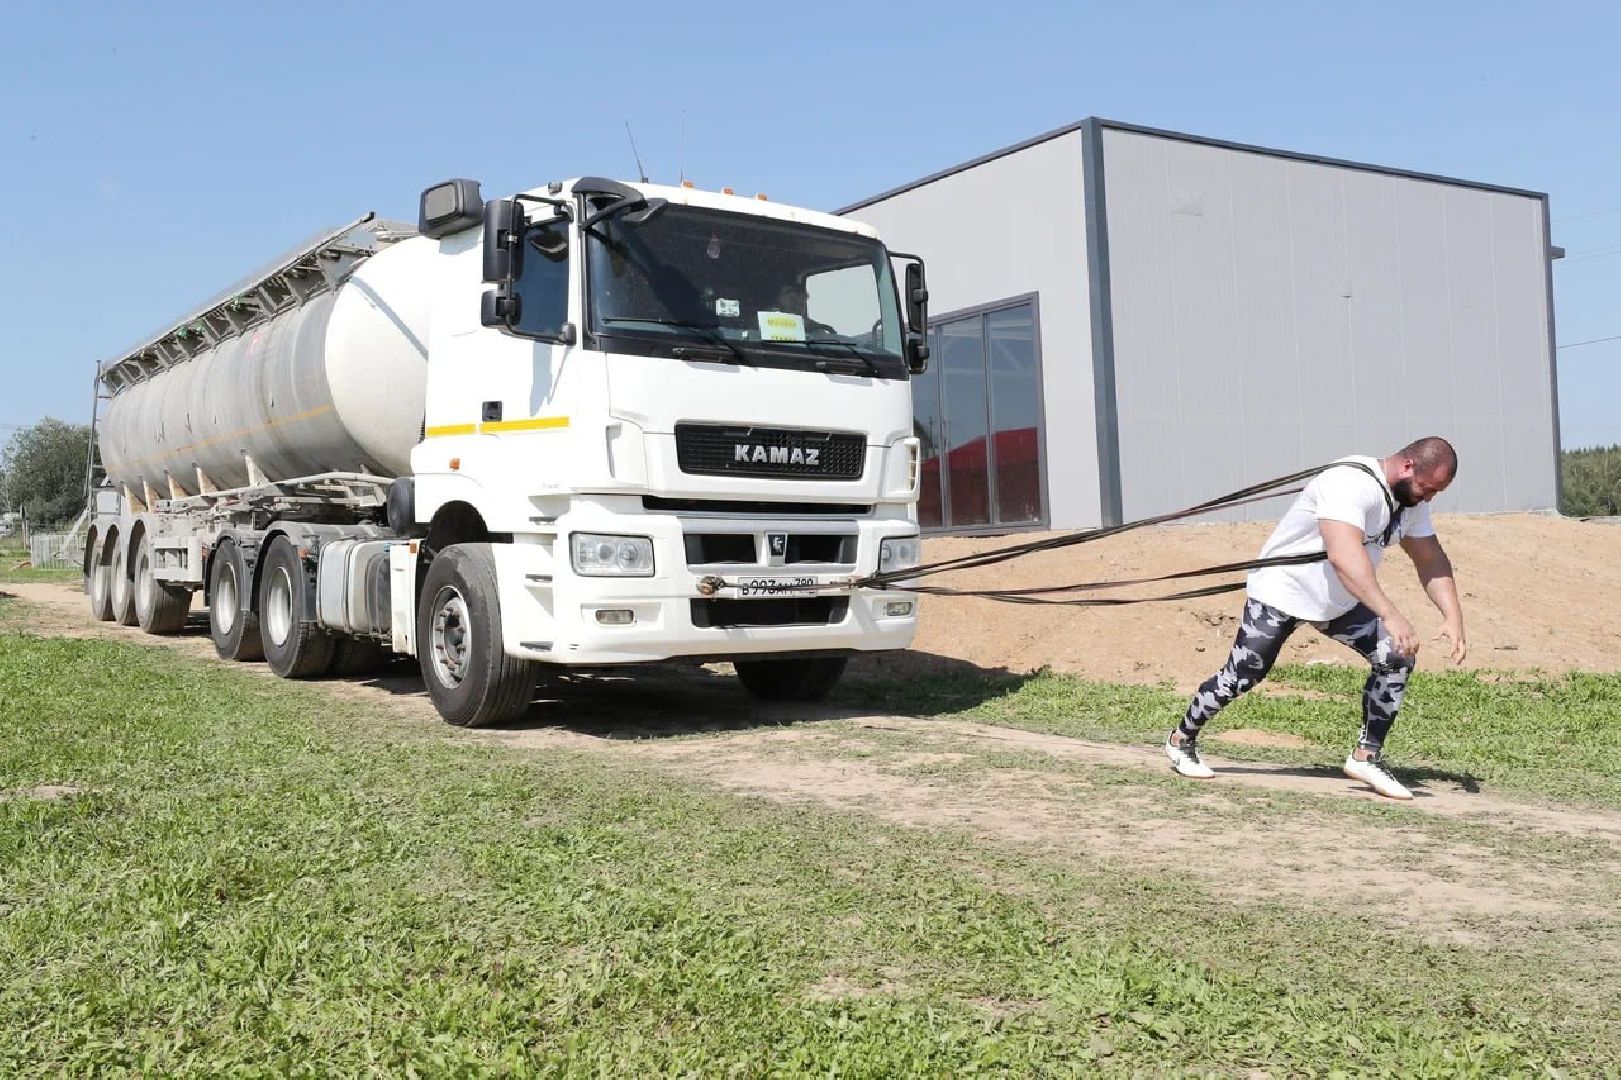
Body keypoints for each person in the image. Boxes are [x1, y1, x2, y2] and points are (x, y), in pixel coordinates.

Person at [1164, 437, 1468, 800]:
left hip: (1338, 602)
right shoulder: (1350, 483)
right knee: (1243, 675)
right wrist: (1391, 614)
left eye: (1435, 492)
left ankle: (1366, 757)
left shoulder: (1409, 501)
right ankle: (1182, 739)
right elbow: (1344, 556)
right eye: (1427, 488)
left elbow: (1430, 559)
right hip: (1282, 593)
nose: (1429, 498)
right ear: (1407, 467)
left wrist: (1452, 616)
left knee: (1396, 655)